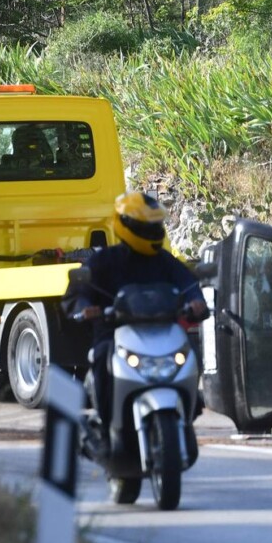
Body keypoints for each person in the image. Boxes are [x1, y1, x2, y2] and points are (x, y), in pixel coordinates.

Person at [62, 191, 208, 455]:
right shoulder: (104, 261)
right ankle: (108, 432)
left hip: (162, 331)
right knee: (104, 360)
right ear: (126, 225)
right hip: (114, 334)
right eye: (146, 227)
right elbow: (78, 294)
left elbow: (189, 284)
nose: (153, 231)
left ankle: (189, 407)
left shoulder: (165, 261)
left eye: (156, 226)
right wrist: (85, 309)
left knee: (189, 354)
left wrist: (197, 301)